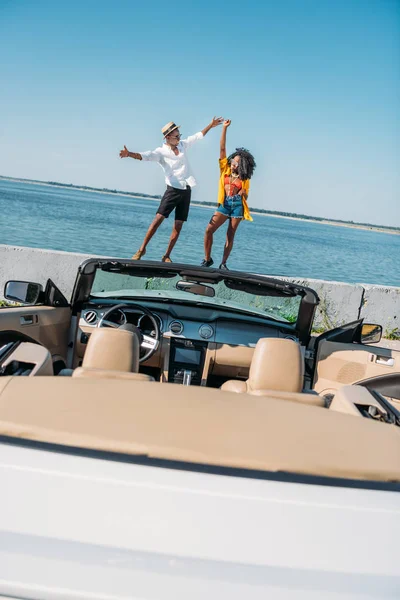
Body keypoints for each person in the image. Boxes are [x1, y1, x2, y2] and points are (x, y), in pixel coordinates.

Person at [119, 117, 223, 261]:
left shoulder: (182, 145)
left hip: (186, 189)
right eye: (176, 136)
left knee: (178, 225)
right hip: (172, 190)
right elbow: (145, 156)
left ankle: (167, 255)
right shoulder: (160, 152)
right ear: (167, 137)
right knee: (158, 220)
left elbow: (197, 136)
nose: (179, 138)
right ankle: (141, 249)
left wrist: (211, 125)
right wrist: (129, 154)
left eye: (179, 135)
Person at [202, 120, 256, 269]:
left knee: (230, 236)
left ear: (242, 166)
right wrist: (224, 128)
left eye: (238, 163)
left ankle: (223, 264)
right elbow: (222, 147)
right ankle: (207, 259)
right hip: (224, 204)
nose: (234, 164)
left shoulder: (245, 179)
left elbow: (245, 197)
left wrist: (243, 194)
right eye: (233, 160)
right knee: (209, 230)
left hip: (237, 206)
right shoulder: (224, 170)